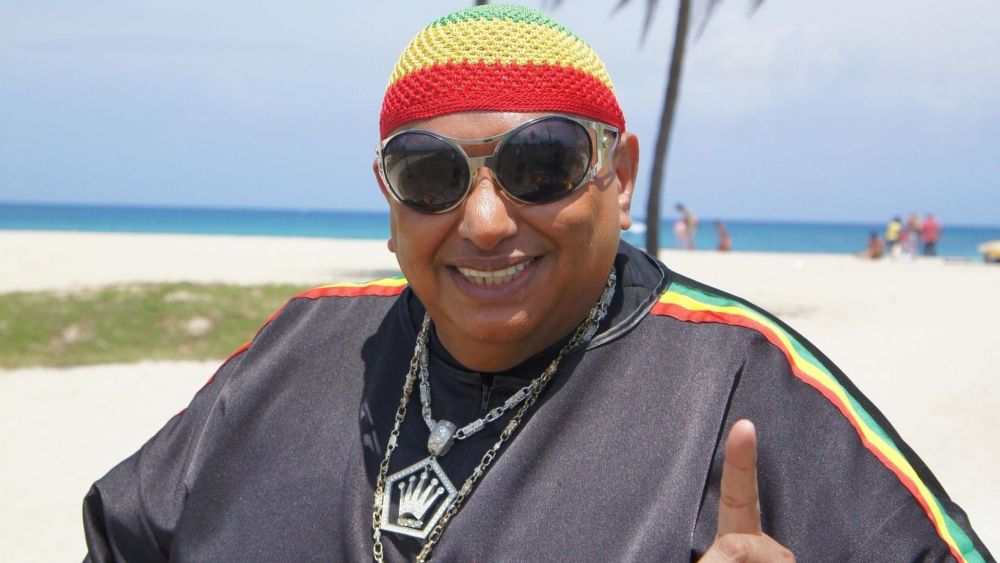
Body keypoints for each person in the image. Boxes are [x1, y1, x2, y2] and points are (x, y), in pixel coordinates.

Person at [82, 5, 990, 562]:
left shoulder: (746, 387)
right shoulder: (298, 349)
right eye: (432, 175)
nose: (484, 220)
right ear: (390, 198)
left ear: (619, 177)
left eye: (541, 164)